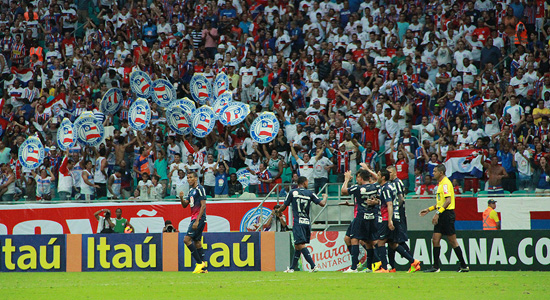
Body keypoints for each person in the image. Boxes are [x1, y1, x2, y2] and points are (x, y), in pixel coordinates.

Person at [420, 164, 469, 272]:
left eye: (435, 171)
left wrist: (437, 213)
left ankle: (464, 265)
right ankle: (436, 267)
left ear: (441, 173)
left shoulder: (446, 184)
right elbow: (440, 203)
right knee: (435, 239)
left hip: (447, 215)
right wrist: (428, 209)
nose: (433, 173)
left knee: (452, 241)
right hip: (442, 213)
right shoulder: (441, 184)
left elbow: (448, 201)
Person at [277, 176, 327, 272]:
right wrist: (325, 197)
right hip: (307, 222)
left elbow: (284, 206)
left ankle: (313, 266)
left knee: (300, 244)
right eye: (307, 182)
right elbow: (322, 203)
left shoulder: (292, 192)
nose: (308, 183)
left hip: (298, 222)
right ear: (304, 183)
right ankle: (292, 268)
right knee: (297, 245)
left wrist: (278, 212)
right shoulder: (310, 193)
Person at [374, 169, 421, 273]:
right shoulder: (388, 187)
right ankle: (414, 261)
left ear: (382, 177)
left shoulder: (385, 188)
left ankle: (385, 268)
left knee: (380, 242)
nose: (376, 176)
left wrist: (389, 220)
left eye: (378, 174)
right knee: (393, 243)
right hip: (393, 217)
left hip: (387, 218)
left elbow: (389, 204)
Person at [340, 169, 380, 273]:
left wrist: (346, 179)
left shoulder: (358, 188)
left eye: (358, 177)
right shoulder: (375, 186)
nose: (357, 179)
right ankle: (370, 267)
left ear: (361, 178)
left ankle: (354, 267)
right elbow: (380, 180)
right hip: (371, 217)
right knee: (368, 241)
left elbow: (343, 191)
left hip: (361, 216)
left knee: (354, 239)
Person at [179, 172, 208, 274]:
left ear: (196, 178)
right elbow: (184, 205)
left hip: (198, 219)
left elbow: (203, 205)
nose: (188, 179)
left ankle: (199, 263)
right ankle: (204, 269)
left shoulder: (200, 189)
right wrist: (181, 198)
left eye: (190, 177)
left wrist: (197, 220)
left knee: (186, 240)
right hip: (194, 218)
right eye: (187, 178)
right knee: (197, 242)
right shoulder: (191, 190)